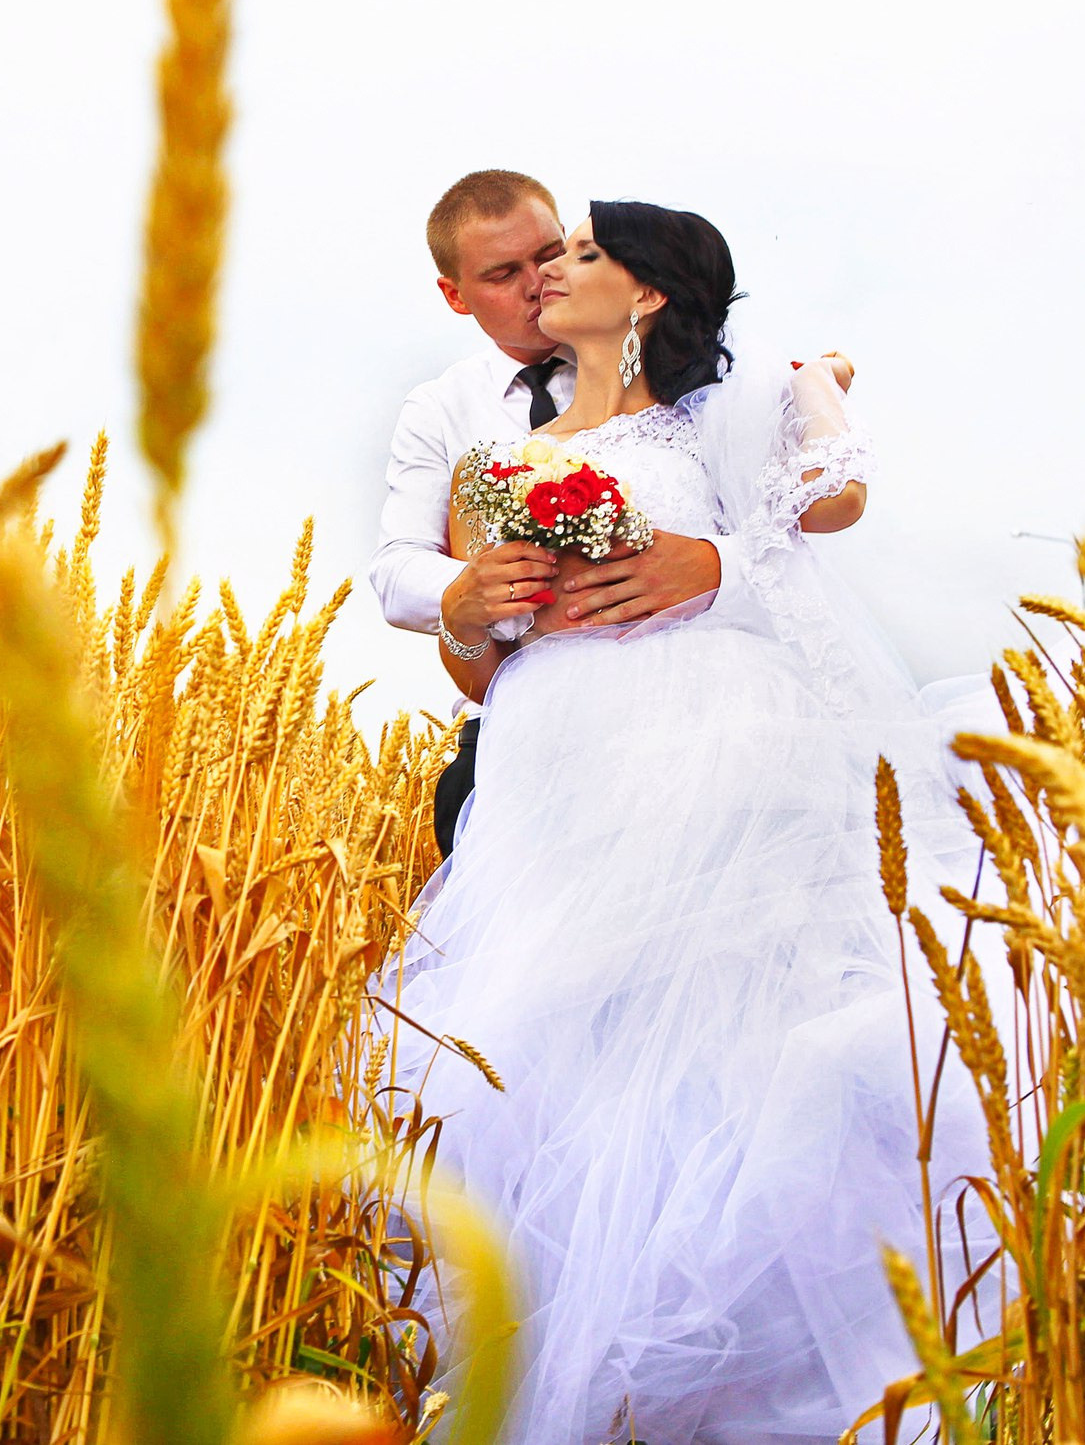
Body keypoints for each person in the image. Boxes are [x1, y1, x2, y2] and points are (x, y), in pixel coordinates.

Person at [384, 200, 994, 1444]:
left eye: (581, 255)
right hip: (557, 769)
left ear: (649, 293)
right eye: (538, 260)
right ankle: (591, 1376)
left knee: (725, 1030)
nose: (555, 272)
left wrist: (718, 544)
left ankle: (774, 1378)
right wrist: (474, 604)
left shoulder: (718, 409)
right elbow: (478, 660)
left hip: (708, 747)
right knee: (577, 1052)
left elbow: (834, 493)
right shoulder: (500, 449)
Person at [364, 172, 749, 856]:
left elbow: (788, 512)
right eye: (503, 273)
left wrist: (719, 564)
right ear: (455, 295)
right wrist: (462, 591)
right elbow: (396, 567)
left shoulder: (681, 373)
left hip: (698, 719)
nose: (538, 280)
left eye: (548, 253)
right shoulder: (442, 411)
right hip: (520, 731)